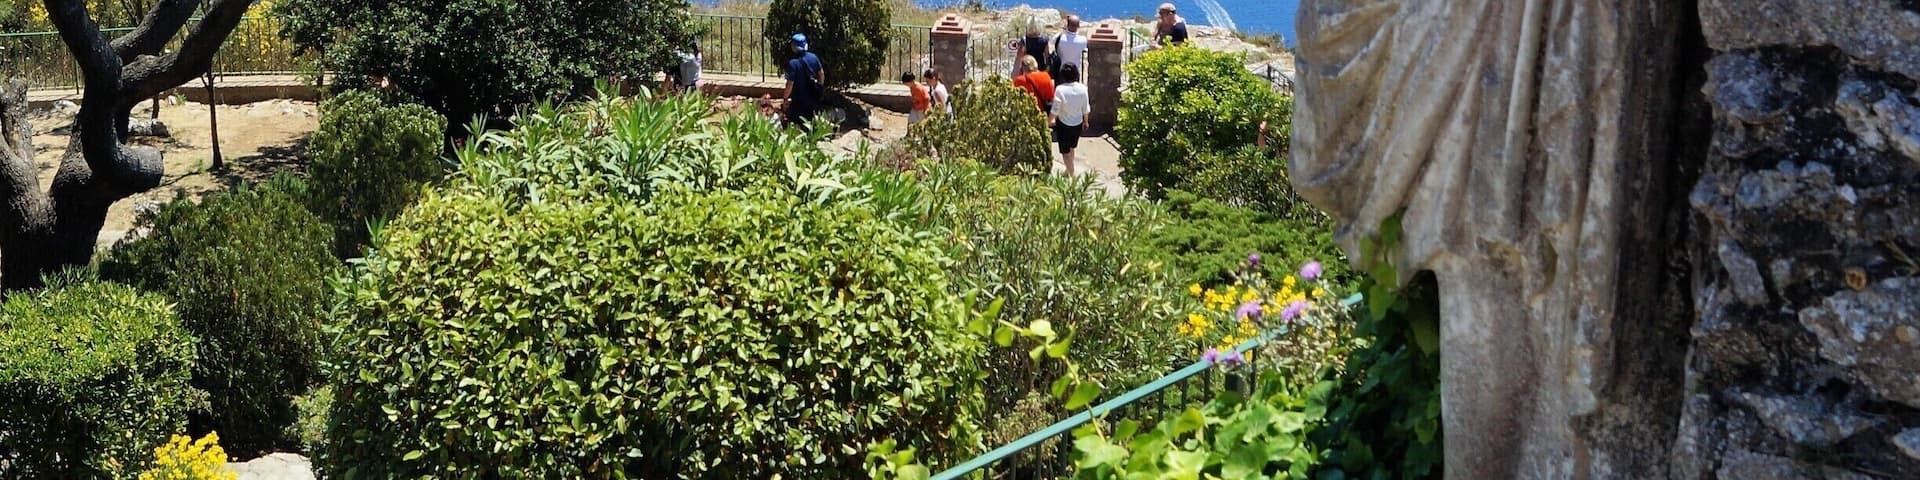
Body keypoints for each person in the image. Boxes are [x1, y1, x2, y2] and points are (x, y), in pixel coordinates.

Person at [1050, 63, 1090, 177]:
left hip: (1064, 124)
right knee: (1072, 148)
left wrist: (1050, 120)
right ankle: (1068, 170)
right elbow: (1085, 108)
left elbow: (1055, 109)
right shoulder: (1083, 89)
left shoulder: (1060, 89)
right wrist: (1086, 121)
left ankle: (1072, 174)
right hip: (1077, 123)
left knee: (1065, 152)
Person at [782, 33, 826, 127]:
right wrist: (819, 87)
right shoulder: (813, 57)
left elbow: (790, 84)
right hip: (812, 97)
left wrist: (785, 98)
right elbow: (821, 74)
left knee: (796, 123)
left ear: (794, 46)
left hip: (798, 100)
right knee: (811, 122)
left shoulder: (793, 64)